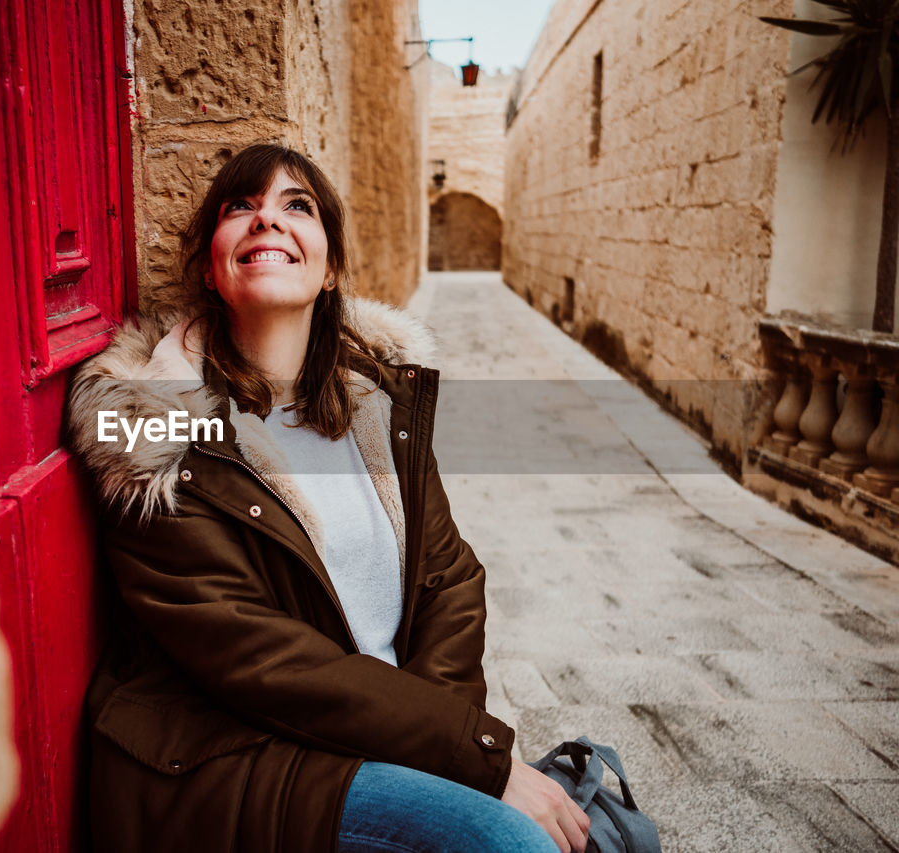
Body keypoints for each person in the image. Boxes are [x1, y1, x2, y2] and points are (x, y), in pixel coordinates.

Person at [68, 143, 589, 853]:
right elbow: (263, 661)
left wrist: (452, 750)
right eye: (241, 208)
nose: (267, 221)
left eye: (297, 207)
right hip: (230, 756)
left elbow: (450, 580)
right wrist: (473, 758)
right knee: (510, 842)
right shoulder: (152, 431)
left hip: (374, 735)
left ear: (331, 265)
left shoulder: (377, 409)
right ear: (209, 269)